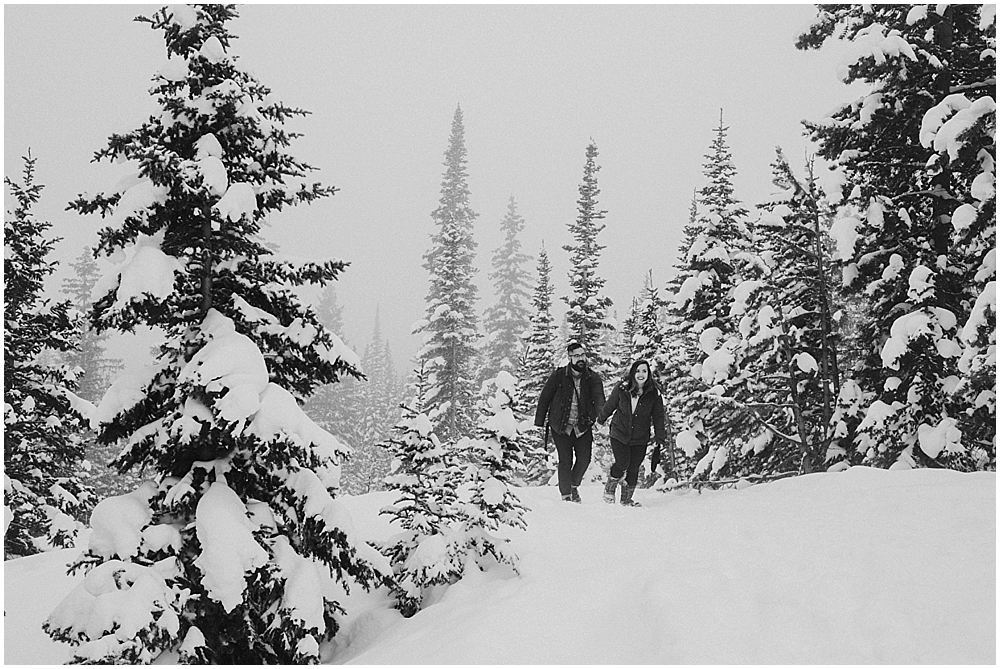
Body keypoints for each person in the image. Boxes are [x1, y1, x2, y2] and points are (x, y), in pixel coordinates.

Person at [534, 341, 606, 502]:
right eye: (576, 356)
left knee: (584, 459)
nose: (581, 359)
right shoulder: (559, 375)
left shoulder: (592, 378)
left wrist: (601, 418)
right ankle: (566, 495)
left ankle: (573, 486)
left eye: (582, 355)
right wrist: (539, 422)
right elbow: (545, 397)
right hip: (561, 425)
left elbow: (599, 398)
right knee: (565, 460)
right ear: (569, 358)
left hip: (582, 426)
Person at [597, 359, 667, 507]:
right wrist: (600, 420)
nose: (641, 374)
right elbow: (610, 405)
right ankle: (611, 486)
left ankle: (626, 499)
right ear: (633, 373)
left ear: (649, 374)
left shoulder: (653, 394)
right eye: (638, 371)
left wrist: (660, 438)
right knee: (622, 463)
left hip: (640, 437)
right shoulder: (622, 388)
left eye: (644, 371)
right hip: (619, 432)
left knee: (634, 467)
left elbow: (658, 417)